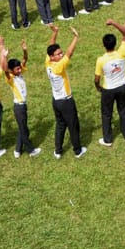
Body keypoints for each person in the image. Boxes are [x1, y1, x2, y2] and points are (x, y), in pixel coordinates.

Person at [46, 25, 86, 158]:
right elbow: (70, 53)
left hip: (56, 101)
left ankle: (58, 151)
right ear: (52, 57)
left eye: (60, 52)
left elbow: (51, 45)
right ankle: (77, 151)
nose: (61, 54)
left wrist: (55, 33)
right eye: (58, 54)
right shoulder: (59, 66)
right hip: (66, 101)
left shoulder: (48, 63)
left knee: (60, 125)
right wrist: (76, 37)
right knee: (73, 125)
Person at [95, 17, 125, 147]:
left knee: (106, 114)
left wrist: (98, 87)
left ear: (104, 45)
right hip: (122, 86)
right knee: (123, 110)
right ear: (115, 43)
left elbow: (97, 79)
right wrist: (113, 23)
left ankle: (108, 139)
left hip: (108, 89)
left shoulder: (101, 60)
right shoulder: (121, 53)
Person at [5, 39, 40, 157]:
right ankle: (31, 150)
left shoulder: (19, 74)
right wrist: (4, 57)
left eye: (20, 68)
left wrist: (25, 50)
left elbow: (25, 60)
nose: (20, 70)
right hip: (19, 107)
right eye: (17, 69)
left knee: (22, 128)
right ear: (11, 70)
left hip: (23, 106)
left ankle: (17, 150)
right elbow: (5, 69)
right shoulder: (10, 78)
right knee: (24, 130)